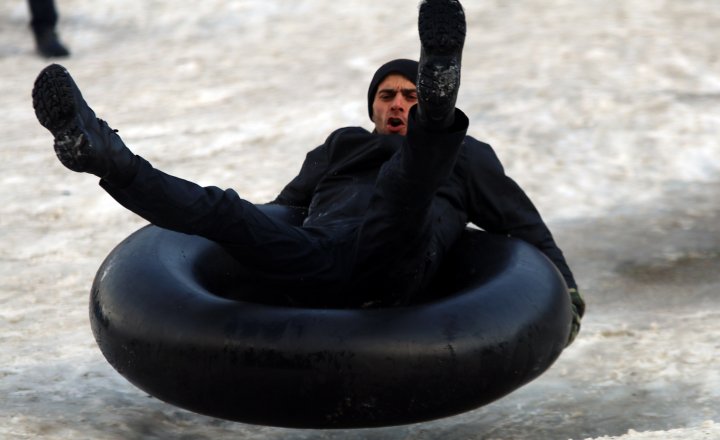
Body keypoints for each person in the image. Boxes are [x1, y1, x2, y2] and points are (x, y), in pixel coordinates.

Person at [32, 0, 584, 344]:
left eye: (410, 95)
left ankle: (441, 103)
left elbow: (522, 226)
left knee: (404, 185)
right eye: (388, 96)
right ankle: (99, 151)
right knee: (224, 210)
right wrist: (248, 254)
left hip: (397, 257)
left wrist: (567, 296)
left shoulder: (469, 157)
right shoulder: (341, 146)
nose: (396, 103)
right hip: (318, 255)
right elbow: (285, 207)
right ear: (372, 108)